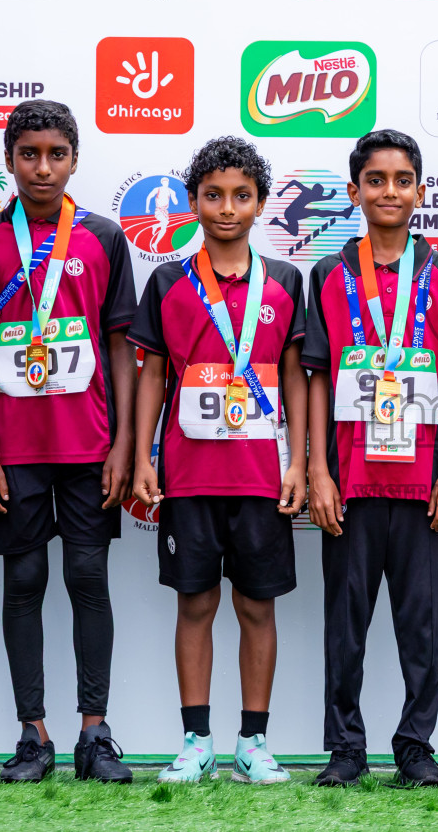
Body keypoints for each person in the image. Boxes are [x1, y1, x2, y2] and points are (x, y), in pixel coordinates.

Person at [303, 129, 438, 788]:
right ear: (354, 191)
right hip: (348, 480)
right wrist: (318, 470)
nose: (389, 191)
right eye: (375, 180)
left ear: (421, 191)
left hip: (422, 480)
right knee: (344, 622)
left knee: (421, 624)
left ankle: (415, 745)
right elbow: (318, 376)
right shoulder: (328, 274)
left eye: (402, 179)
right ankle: (345, 746)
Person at [130, 136, 308, 784]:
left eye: (241, 195)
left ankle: (253, 743)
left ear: (260, 203)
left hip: (261, 476)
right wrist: (147, 457)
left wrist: (299, 463)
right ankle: (195, 740)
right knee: (194, 605)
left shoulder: (285, 282)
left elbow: (295, 377)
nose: (227, 208)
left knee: (257, 607)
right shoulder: (168, 282)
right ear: (192, 201)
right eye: (213, 195)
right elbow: (152, 374)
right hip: (188, 476)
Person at [0, 100, 136, 783]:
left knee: (87, 576)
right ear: (9, 160)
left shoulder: (101, 237)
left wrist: (125, 441)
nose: (43, 167)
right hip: (12, 451)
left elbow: (120, 343)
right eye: (29, 154)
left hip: (89, 446)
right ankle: (33, 733)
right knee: (25, 579)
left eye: (56, 154)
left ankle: (94, 733)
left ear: (74, 159)